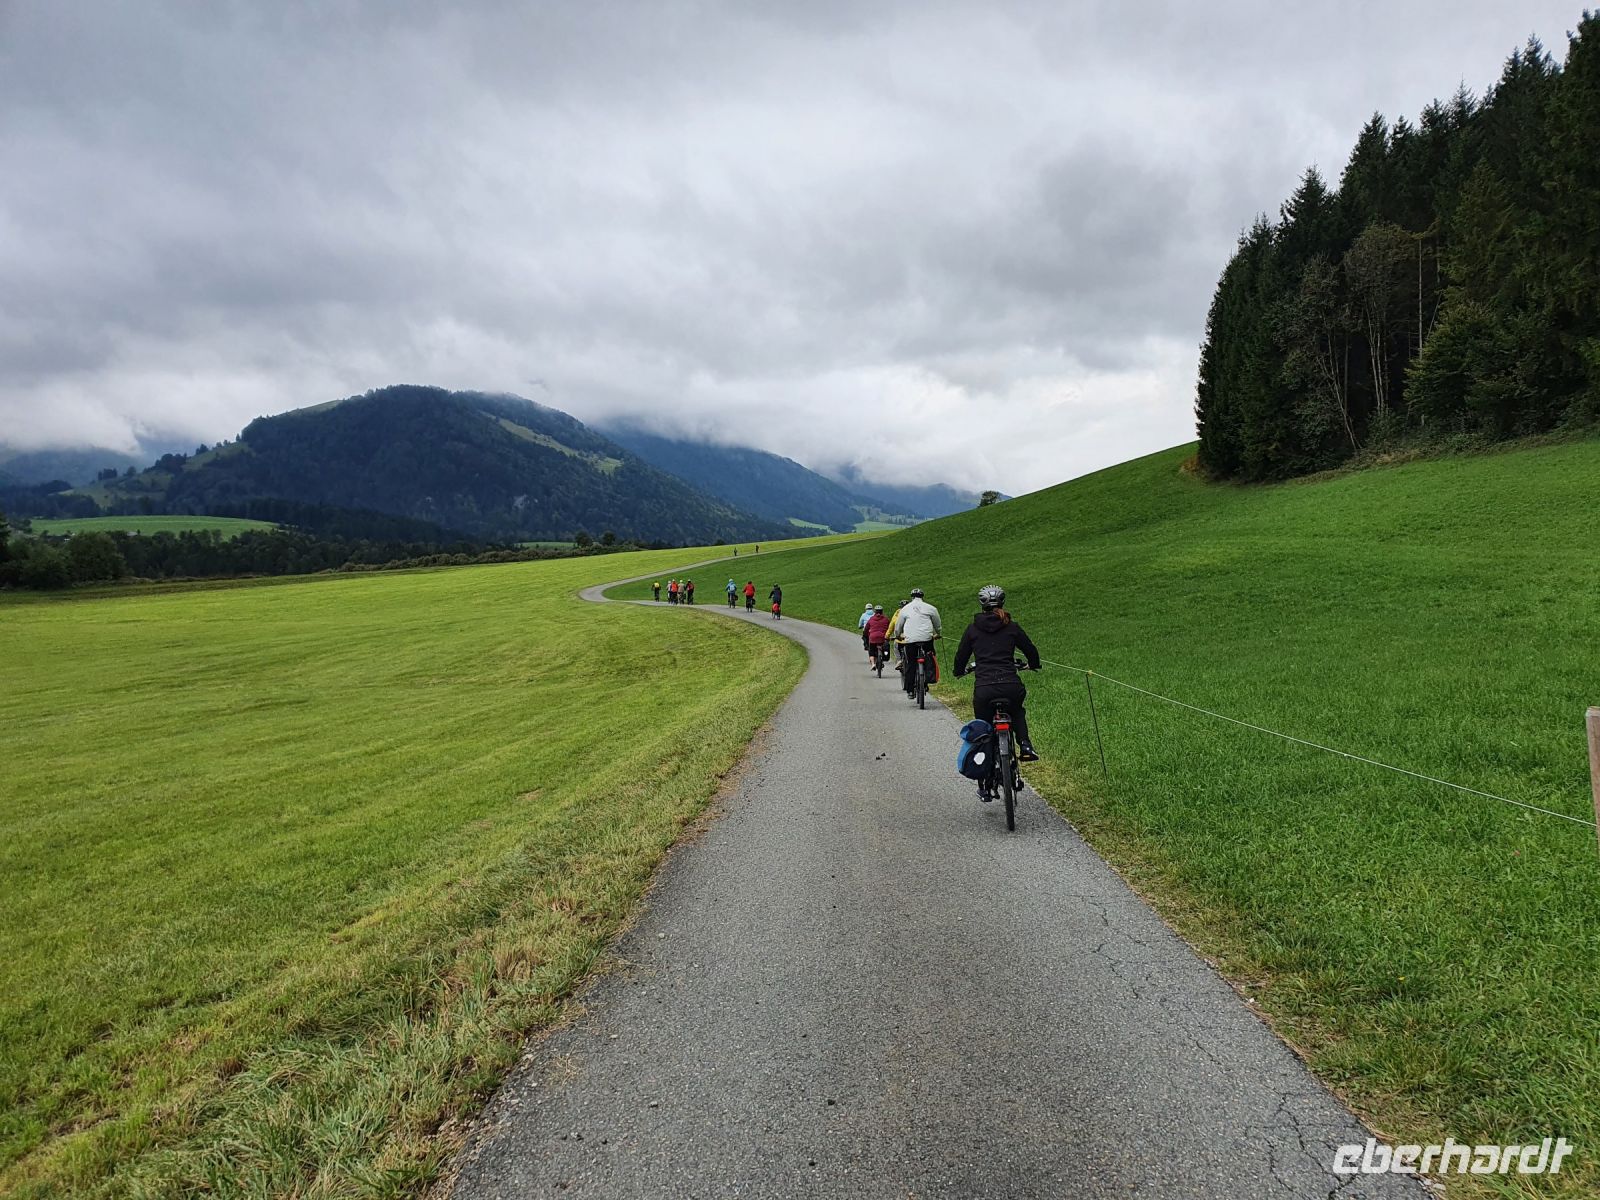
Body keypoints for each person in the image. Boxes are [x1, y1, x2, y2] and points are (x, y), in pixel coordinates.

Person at [954, 584, 1041, 761]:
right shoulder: (1011, 626)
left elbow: (961, 655)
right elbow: (1030, 649)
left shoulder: (972, 629)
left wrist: (959, 671)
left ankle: (985, 765)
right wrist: (1032, 664)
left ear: (982, 604)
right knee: (1016, 711)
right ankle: (1025, 744)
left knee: (984, 725)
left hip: (984, 688)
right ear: (1002, 602)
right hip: (1010, 684)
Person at [890, 587, 941, 696]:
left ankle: (910, 690)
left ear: (912, 597)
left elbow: (898, 625)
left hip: (910, 640)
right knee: (930, 657)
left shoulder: (905, 609)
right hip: (927, 639)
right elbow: (937, 623)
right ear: (922, 597)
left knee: (910, 663)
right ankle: (927, 680)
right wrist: (938, 633)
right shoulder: (931, 608)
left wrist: (897, 635)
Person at [865, 604, 890, 671]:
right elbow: (889, 628)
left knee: (872, 651)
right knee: (884, 648)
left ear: (875, 612)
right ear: (882, 612)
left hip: (873, 638)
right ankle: (882, 659)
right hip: (883, 637)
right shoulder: (886, 619)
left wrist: (866, 635)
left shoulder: (871, 619)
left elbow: (866, 628)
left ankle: (873, 664)